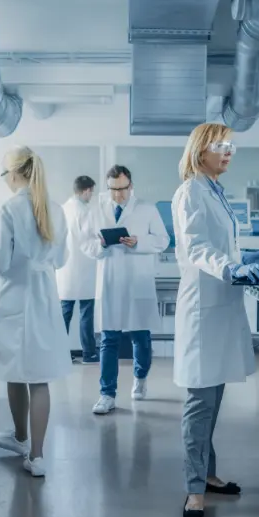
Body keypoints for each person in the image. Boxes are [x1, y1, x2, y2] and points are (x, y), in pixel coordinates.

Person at [171, 123, 259, 517]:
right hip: (202, 308)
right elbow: (199, 247)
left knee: (213, 399)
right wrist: (231, 266)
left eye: (232, 146)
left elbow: (223, 244)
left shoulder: (214, 191)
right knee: (200, 403)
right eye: (221, 146)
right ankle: (194, 490)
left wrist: (249, 257)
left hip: (220, 305)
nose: (229, 152)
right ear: (201, 150)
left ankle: (207, 474)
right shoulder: (190, 193)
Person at [0, 146, 71, 478]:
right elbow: (61, 260)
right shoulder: (56, 209)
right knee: (38, 376)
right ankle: (36, 454)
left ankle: (21, 437)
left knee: (15, 371)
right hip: (45, 297)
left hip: (17, 297)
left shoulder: (7, 209)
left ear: (15, 173)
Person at [81, 165, 170, 415]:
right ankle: (106, 394)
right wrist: (99, 245)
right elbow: (84, 242)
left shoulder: (147, 208)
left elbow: (163, 241)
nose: (118, 195)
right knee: (108, 338)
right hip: (110, 280)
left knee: (140, 336)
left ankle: (140, 379)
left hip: (138, 280)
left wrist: (139, 242)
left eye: (122, 189)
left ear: (130, 185)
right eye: (113, 190)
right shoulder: (96, 208)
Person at [57, 175, 99, 364]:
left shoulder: (62, 209)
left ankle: (58, 354)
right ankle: (89, 354)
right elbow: (90, 239)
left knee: (64, 315)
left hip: (65, 271)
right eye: (91, 192)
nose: (91, 196)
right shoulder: (85, 211)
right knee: (86, 313)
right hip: (83, 269)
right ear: (86, 190)